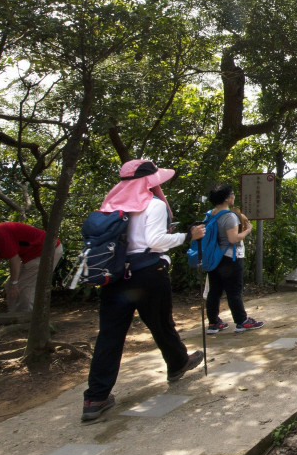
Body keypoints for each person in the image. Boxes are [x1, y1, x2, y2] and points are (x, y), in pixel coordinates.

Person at [81, 159, 205, 422]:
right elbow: (155, 241)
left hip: (114, 277)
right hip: (148, 273)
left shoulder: (110, 206)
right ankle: (177, 363)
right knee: (161, 324)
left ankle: (95, 397)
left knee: (110, 336)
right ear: (150, 182)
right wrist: (187, 236)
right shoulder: (154, 204)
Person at [203, 184, 263, 335]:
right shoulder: (229, 216)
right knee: (234, 291)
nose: (234, 196)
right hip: (230, 257)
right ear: (227, 198)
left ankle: (213, 322)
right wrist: (248, 230)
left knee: (214, 291)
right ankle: (241, 321)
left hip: (214, 257)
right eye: (232, 194)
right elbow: (233, 238)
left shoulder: (210, 214)